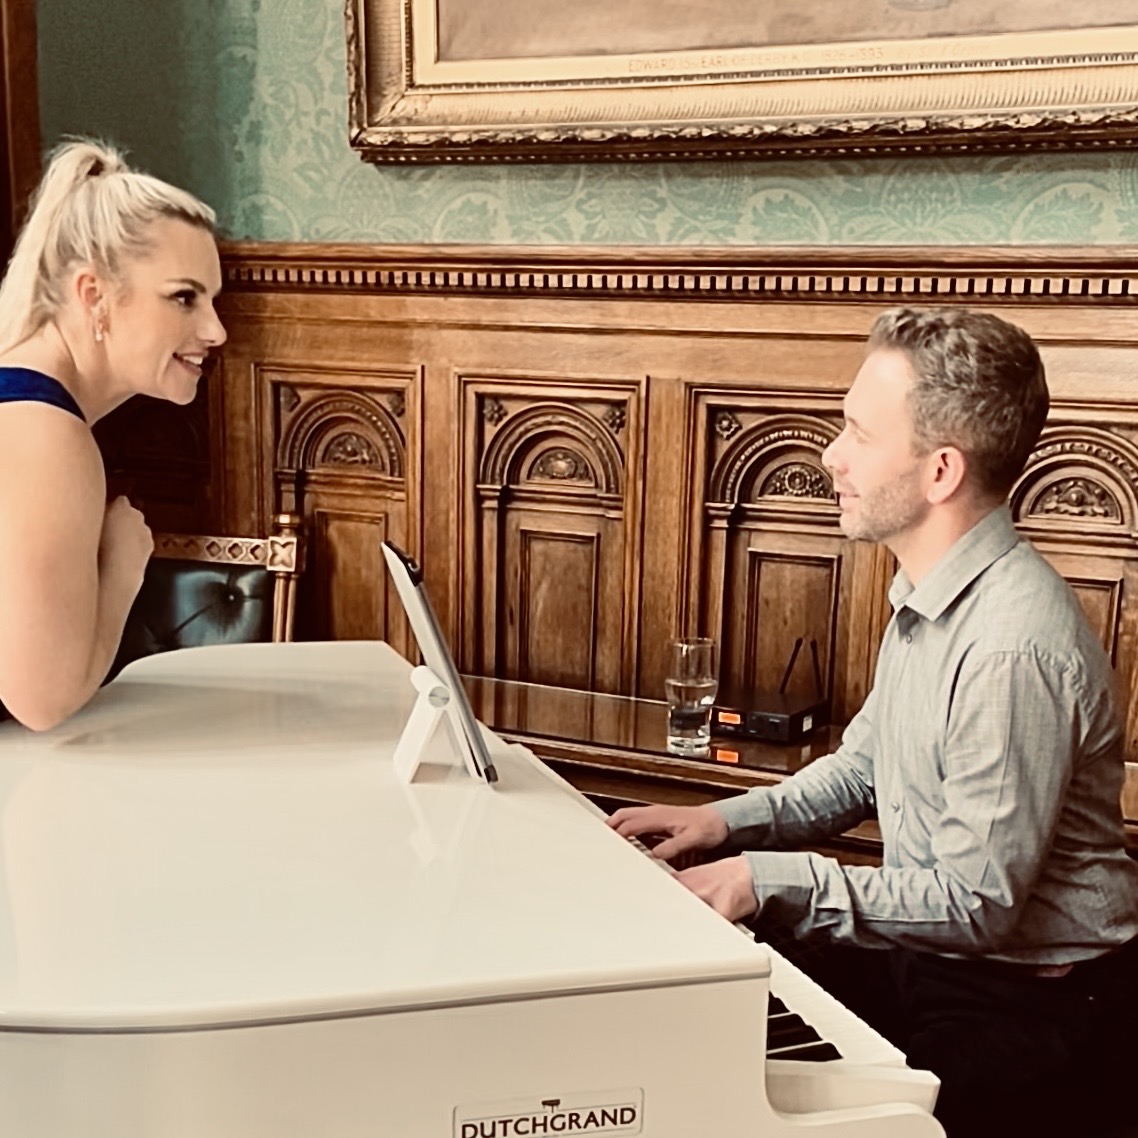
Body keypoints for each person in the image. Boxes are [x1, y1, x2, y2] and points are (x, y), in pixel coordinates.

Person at [610, 307, 1138, 1138]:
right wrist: (721, 823)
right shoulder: (930, 592)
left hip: (1036, 1006)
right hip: (944, 963)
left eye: (858, 431)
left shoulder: (1010, 649)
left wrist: (763, 879)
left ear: (940, 472)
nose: (832, 455)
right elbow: (863, 767)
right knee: (698, 1014)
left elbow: (975, 903)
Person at [0, 140, 226, 730]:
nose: (216, 330)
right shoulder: (45, 433)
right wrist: (123, 567)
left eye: (212, 300)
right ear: (93, 295)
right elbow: (43, 701)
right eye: (184, 298)